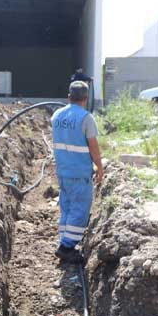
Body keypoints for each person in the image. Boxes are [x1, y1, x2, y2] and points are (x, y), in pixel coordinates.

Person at [51, 80, 104, 265]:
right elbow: (93, 145)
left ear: (69, 97)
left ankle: (64, 241)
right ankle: (66, 247)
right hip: (79, 173)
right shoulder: (86, 118)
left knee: (66, 208)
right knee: (80, 210)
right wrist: (99, 166)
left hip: (63, 172)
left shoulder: (57, 115)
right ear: (86, 98)